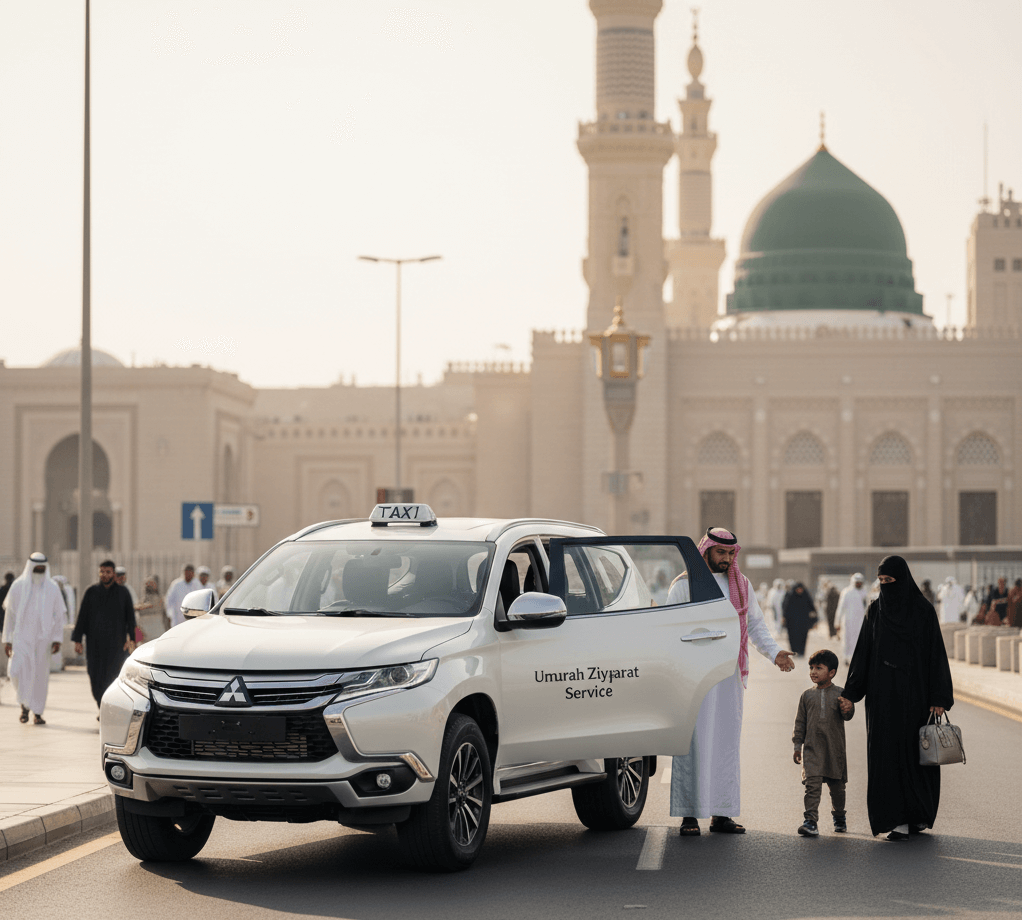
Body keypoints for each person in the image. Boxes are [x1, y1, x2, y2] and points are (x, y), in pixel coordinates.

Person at [668, 527, 795, 836]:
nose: (725, 559)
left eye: (729, 554)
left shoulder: (742, 585)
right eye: (719, 553)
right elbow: (670, 629)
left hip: (729, 675)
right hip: (694, 676)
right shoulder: (684, 586)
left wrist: (775, 652)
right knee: (694, 744)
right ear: (706, 550)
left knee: (725, 744)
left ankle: (722, 814)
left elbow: (755, 625)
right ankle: (689, 815)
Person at [839, 555, 954, 841]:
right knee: (887, 755)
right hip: (882, 697)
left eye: (891, 581)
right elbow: (864, 651)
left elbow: (935, 655)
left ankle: (916, 816)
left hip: (916, 697)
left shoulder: (922, 611)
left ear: (903, 580)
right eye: (881, 582)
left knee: (917, 755)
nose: (886, 587)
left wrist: (939, 695)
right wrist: (851, 693)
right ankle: (896, 819)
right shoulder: (876, 610)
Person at [792, 649, 854, 837]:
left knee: (837, 787)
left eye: (819, 668)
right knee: (812, 787)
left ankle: (839, 816)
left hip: (834, 750)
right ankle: (810, 821)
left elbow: (848, 715)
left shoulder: (840, 693)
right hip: (811, 750)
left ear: (832, 672)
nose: (813, 672)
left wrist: (848, 707)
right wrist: (797, 746)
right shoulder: (807, 696)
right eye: (811, 668)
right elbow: (800, 722)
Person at [2, 553, 66, 725]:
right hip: (21, 638)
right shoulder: (17, 586)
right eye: (36, 568)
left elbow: (59, 615)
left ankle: (36, 712)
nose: (39, 571)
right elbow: (10, 615)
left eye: (42, 568)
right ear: (30, 567)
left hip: (43, 641)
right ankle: (24, 703)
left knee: (39, 677)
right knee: (16, 671)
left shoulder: (52, 588)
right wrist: (7, 640)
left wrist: (57, 639)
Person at [71, 560, 137, 710]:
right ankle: (100, 702)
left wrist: (132, 639)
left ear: (113, 573)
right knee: (94, 676)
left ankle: (107, 708)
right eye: (102, 572)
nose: (104, 575)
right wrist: (77, 639)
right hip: (94, 645)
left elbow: (130, 618)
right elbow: (82, 617)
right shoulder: (91, 592)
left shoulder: (123, 593)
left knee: (113, 676)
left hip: (116, 644)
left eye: (108, 572)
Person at [836, 573, 869, 663]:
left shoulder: (864, 592)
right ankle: (846, 657)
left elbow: (867, 607)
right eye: (857, 582)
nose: (858, 584)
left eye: (860, 582)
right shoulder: (846, 592)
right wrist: (837, 622)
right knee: (847, 640)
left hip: (861, 621)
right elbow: (840, 607)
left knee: (860, 640)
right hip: (848, 621)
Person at [782, 583, 816, 657]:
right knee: (792, 637)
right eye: (798, 589)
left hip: (803, 622)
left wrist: (813, 618)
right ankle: (794, 651)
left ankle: (801, 652)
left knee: (803, 637)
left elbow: (812, 608)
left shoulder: (806, 596)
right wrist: (784, 618)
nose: (800, 591)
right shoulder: (790, 596)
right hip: (792, 622)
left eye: (801, 589)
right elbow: (785, 607)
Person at [165, 564, 200, 628]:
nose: (189, 574)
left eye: (190, 572)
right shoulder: (176, 584)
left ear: (193, 573)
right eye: (187, 572)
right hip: (177, 617)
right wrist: (169, 614)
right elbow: (169, 600)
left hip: (192, 617)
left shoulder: (197, 585)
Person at [135, 575, 167, 642]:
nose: (150, 586)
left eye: (152, 583)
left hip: (157, 632)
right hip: (146, 633)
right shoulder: (142, 600)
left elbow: (149, 605)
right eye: (148, 584)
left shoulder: (159, 599)